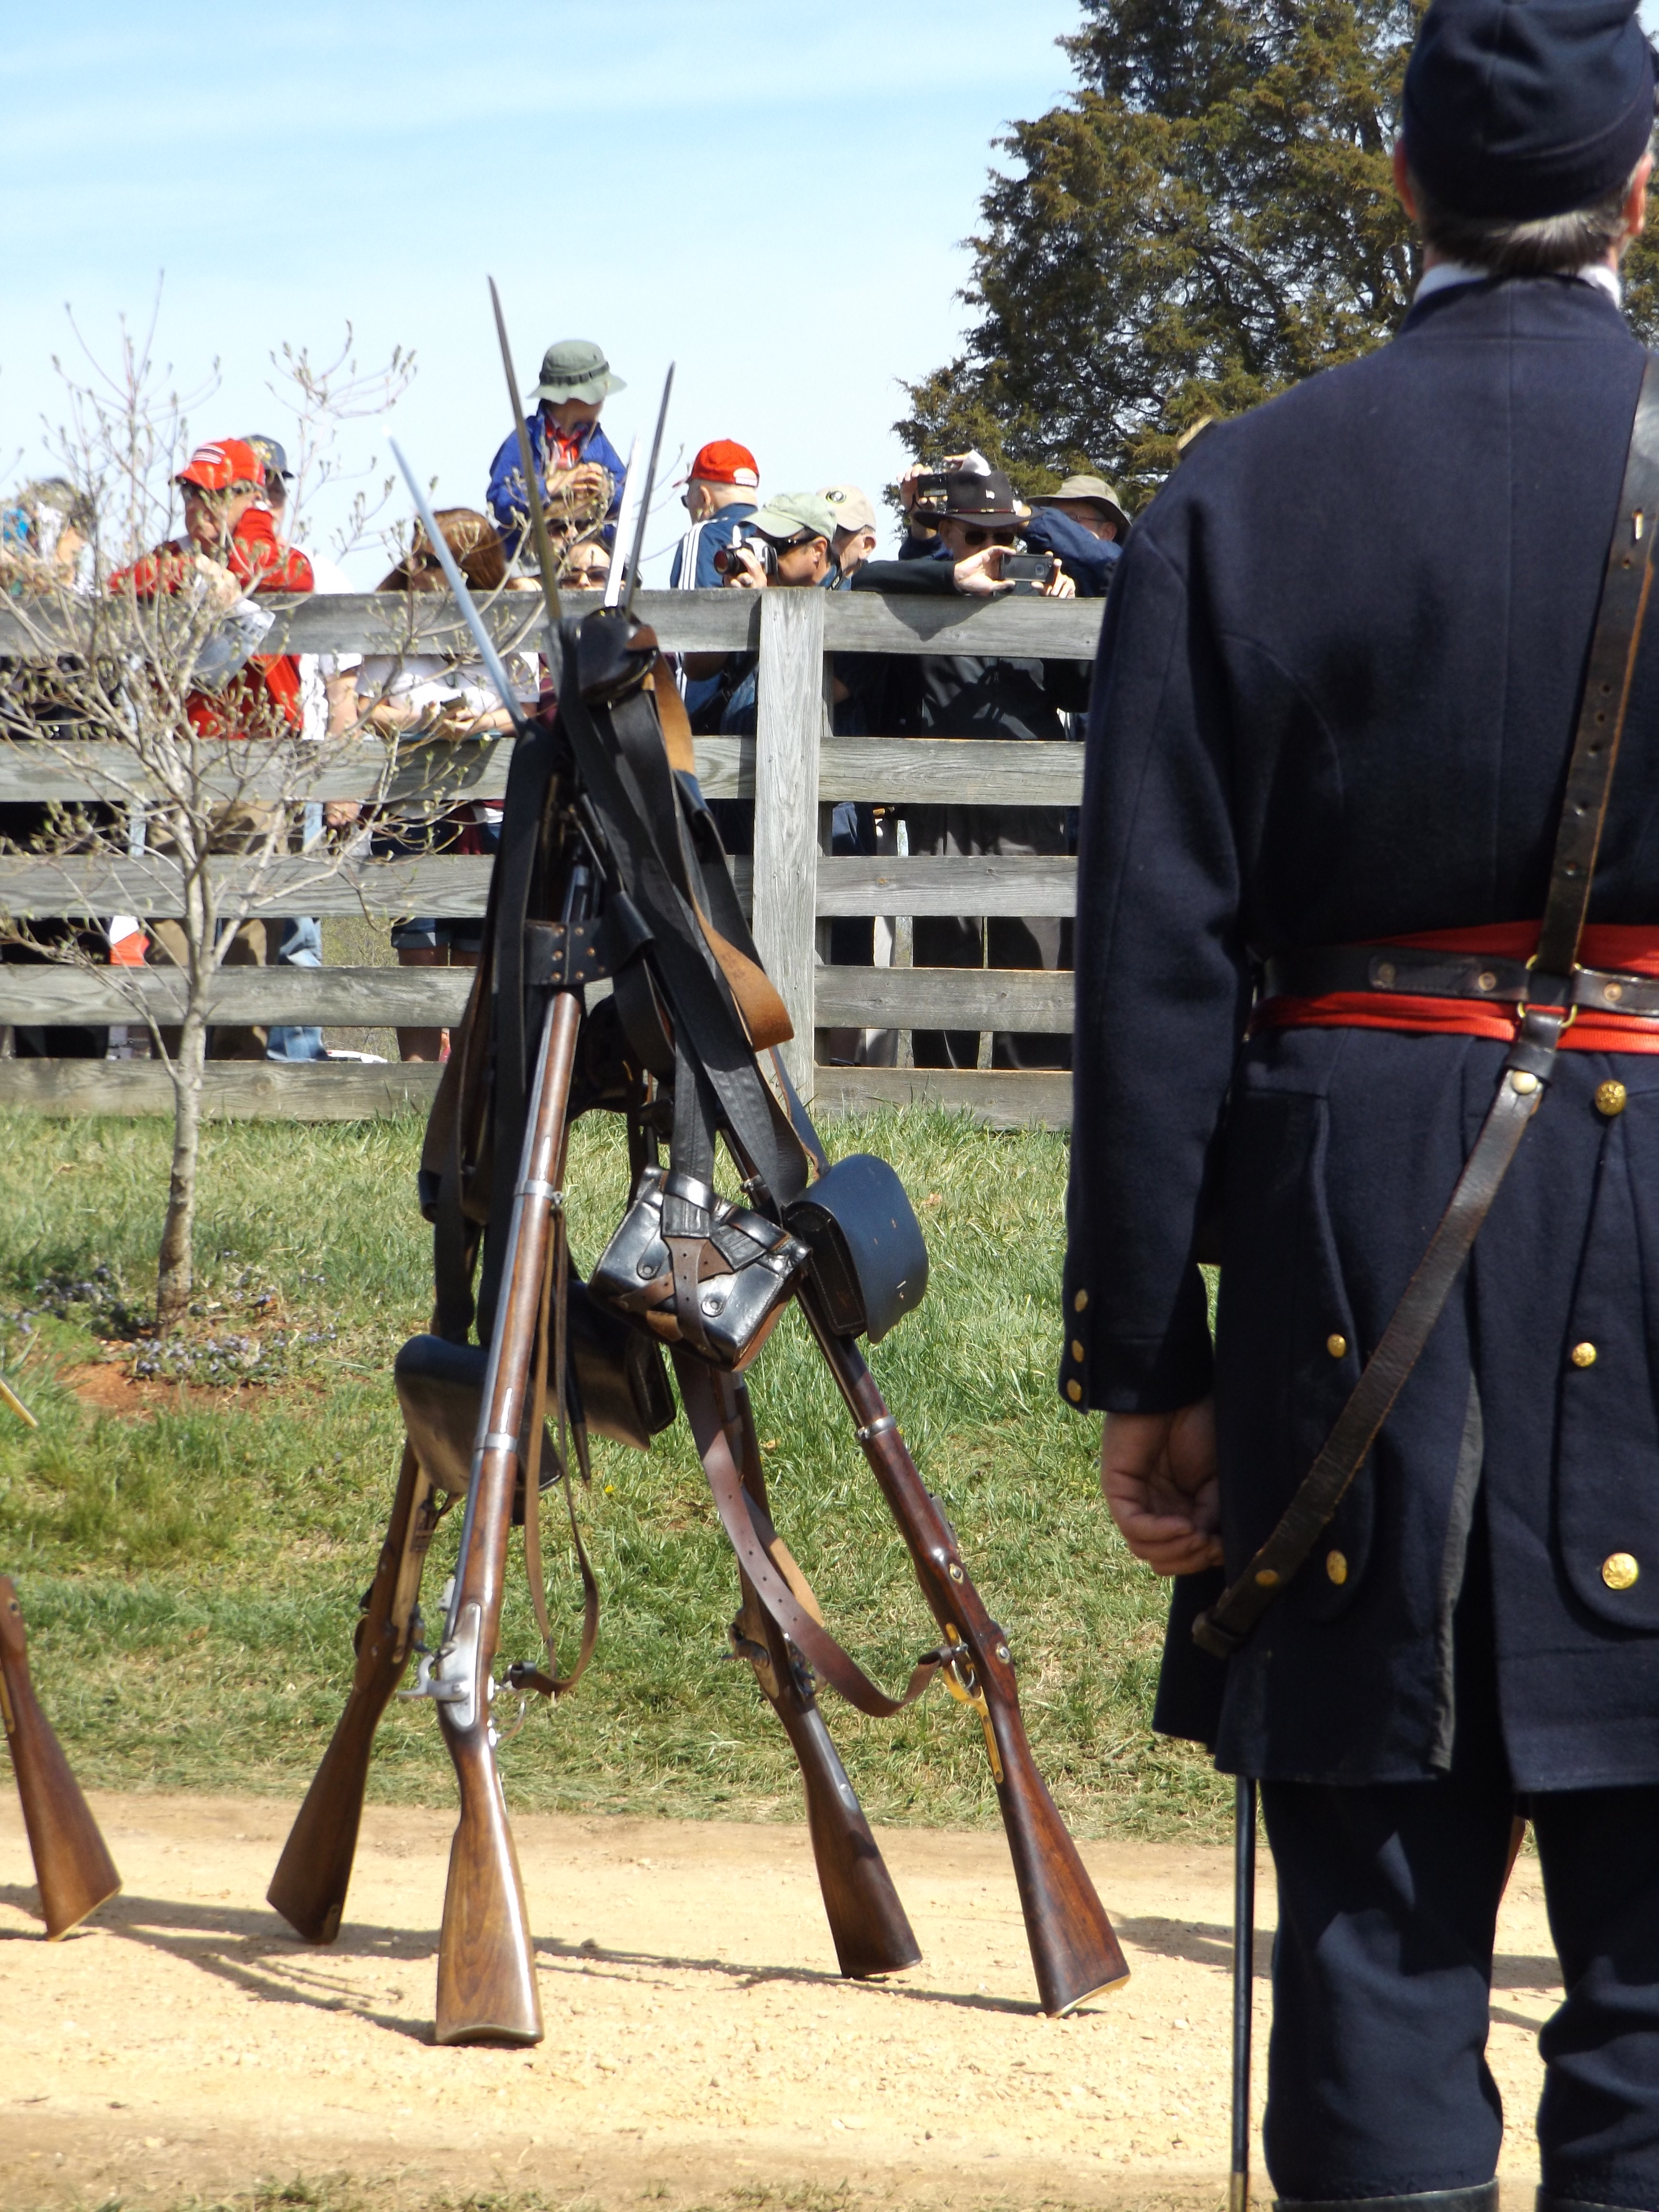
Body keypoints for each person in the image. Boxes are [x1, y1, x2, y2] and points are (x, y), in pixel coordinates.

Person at [1070, 1, 1659, 2200]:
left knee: (1372, 1944)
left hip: (1345, 1236)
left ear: (1400, 181)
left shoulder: (1241, 486)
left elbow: (1152, 968)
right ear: (1637, 192)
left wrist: (1148, 1357)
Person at [844, 467, 1084, 1072]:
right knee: (944, 945)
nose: (993, 550)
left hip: (1030, 793)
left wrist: (1066, 617)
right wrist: (953, 579)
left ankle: (1027, 1094)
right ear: (947, 532)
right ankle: (939, 1086)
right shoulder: (926, 593)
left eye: (1005, 537)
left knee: (1032, 948)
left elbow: (1079, 691)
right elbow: (864, 577)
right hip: (941, 790)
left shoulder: (1039, 597)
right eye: (977, 536)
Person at [110, 440, 313, 1059]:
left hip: (256, 771)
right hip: (180, 769)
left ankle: (238, 1074)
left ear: (248, 496)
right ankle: (179, 1071)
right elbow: (122, 584)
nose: (196, 506)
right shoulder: (173, 558)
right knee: (171, 930)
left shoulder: (272, 556)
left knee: (251, 933)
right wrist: (193, 574)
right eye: (190, 493)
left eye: (213, 494)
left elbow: (295, 572)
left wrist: (236, 564)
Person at [359, 509, 537, 1062]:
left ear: (469, 568)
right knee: (419, 955)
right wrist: (422, 721)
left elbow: (529, 707)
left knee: (476, 961)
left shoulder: (507, 625)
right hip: (412, 811)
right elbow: (367, 706)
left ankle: (465, 1092)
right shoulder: (394, 621)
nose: (415, 570)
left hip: (487, 815)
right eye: (413, 556)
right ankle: (414, 1091)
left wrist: (481, 722)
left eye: (431, 561)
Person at [246, 434, 360, 1064]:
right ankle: (225, 1064)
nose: (264, 498)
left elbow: (343, 690)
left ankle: (295, 1064)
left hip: (303, 769)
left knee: (298, 928)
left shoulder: (318, 572)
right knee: (219, 924)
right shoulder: (207, 573)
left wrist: (342, 781)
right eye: (249, 488)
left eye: (272, 486)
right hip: (223, 773)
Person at [485, 339, 627, 565]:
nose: (603, 399)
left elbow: (625, 496)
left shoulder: (597, 440)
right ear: (573, 397)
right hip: (529, 559)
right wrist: (553, 485)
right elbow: (500, 502)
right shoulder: (525, 439)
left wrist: (605, 489)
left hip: (587, 553)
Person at [1022, 474, 1128, 597]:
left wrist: (1020, 514)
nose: (1055, 529)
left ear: (1107, 532)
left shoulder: (1125, 577)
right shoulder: (1028, 580)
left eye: (1070, 521)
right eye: (1054, 518)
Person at [817, 483, 879, 577]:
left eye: (834, 533)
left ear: (866, 546)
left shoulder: (875, 582)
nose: (819, 543)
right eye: (812, 531)